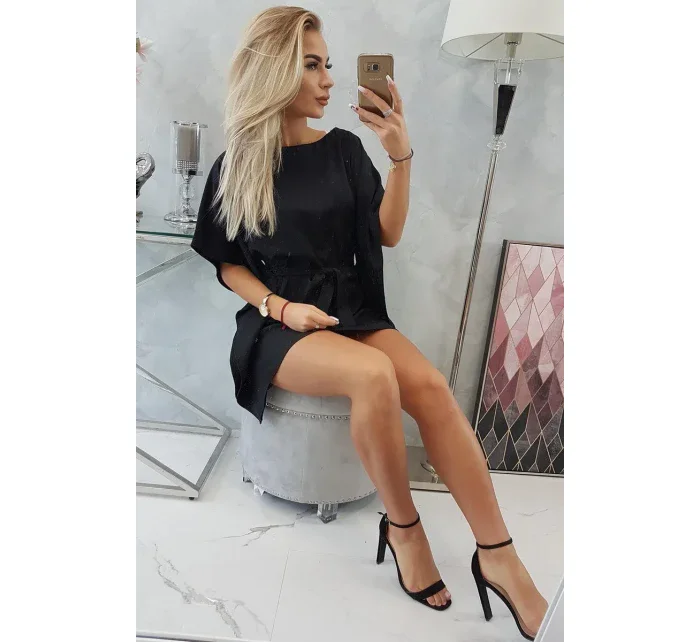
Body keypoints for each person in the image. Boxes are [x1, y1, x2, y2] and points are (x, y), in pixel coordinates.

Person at [191, 6, 547, 638]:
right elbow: (228, 264)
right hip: (278, 325)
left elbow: (387, 233)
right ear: (274, 70)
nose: (328, 79)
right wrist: (281, 307)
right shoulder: (238, 163)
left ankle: (499, 556)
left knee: (431, 386)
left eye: (327, 64)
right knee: (374, 375)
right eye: (311, 65)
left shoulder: (345, 149)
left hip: (350, 309)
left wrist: (400, 157)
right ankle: (404, 528)